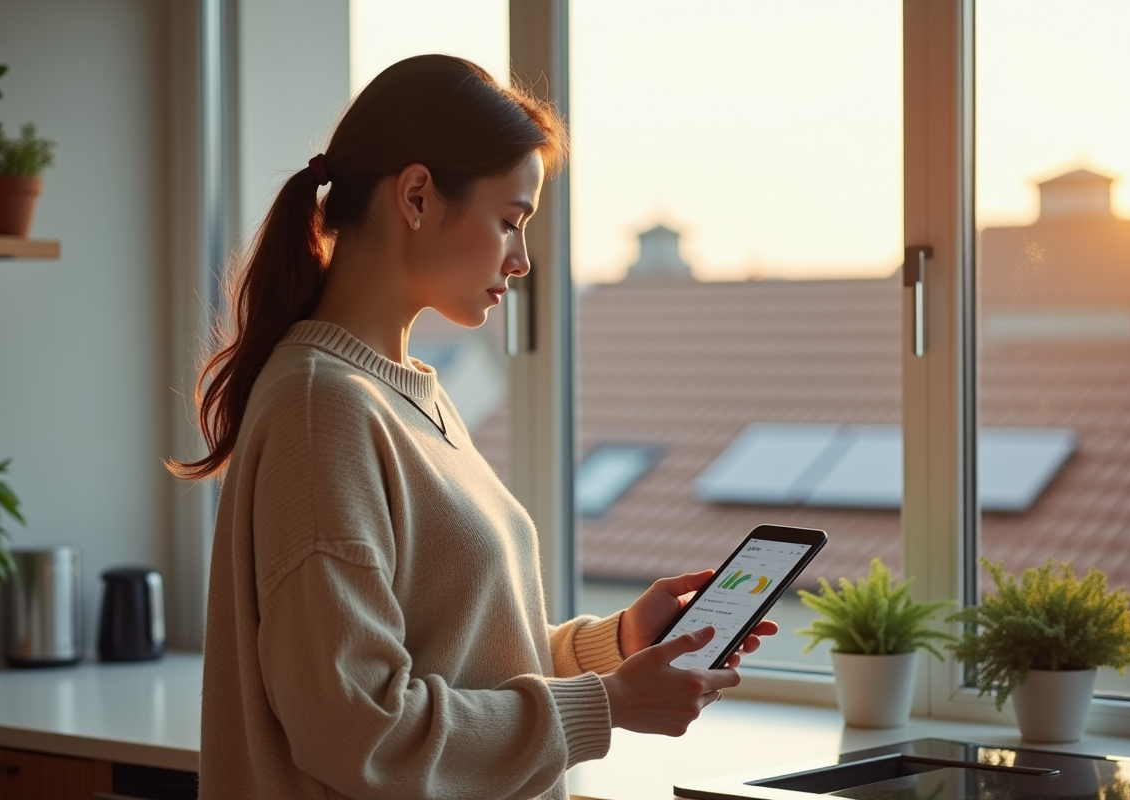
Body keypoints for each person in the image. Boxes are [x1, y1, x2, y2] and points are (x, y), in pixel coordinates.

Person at [169, 54, 777, 800]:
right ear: (418, 197)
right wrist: (609, 705)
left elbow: (466, 662)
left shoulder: (409, 394)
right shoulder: (320, 409)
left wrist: (614, 646)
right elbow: (358, 729)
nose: (522, 260)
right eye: (509, 221)